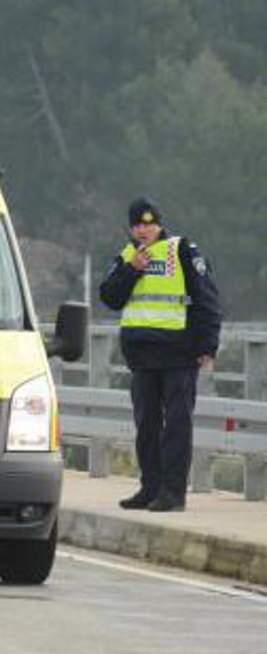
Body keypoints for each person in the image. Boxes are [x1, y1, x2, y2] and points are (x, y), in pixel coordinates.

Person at [98, 198, 222, 513]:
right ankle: (150, 488)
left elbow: (207, 300)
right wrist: (132, 270)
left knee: (177, 426)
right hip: (142, 357)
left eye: (149, 224)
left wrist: (207, 346)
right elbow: (109, 297)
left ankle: (172, 493)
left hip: (179, 354)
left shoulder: (180, 250)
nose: (143, 230)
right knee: (147, 426)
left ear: (159, 225)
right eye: (137, 225)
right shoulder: (128, 256)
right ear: (131, 228)